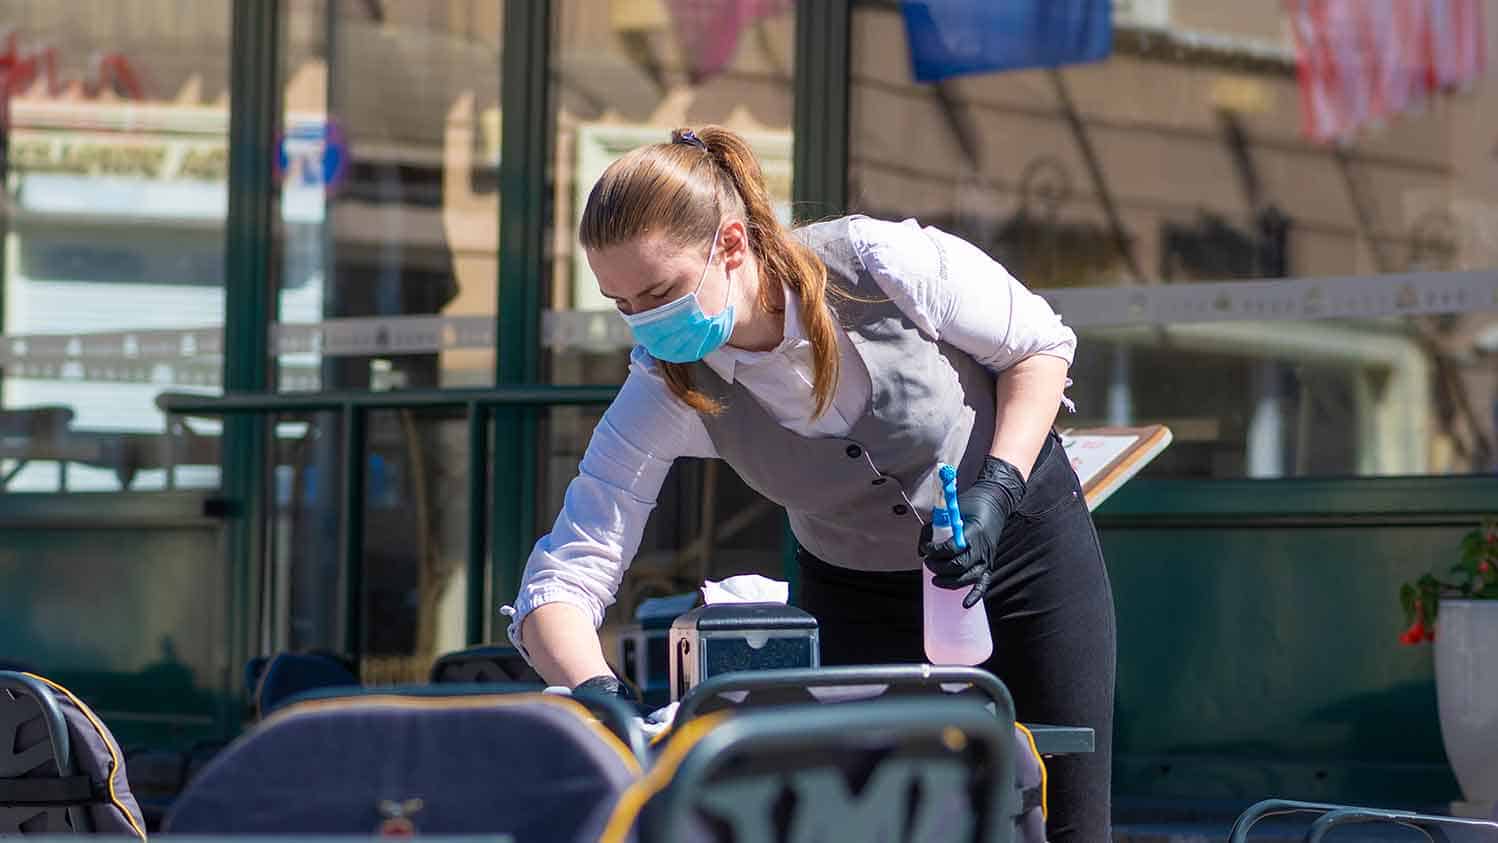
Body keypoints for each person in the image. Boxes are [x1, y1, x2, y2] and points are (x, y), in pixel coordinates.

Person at [502, 125, 1115, 841]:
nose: (644, 323)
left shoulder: (880, 261)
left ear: (732, 244)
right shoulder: (664, 385)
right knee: (881, 824)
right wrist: (598, 691)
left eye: (660, 292)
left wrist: (998, 490)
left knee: (1066, 817)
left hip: (1021, 554)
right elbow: (563, 578)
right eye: (622, 304)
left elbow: (1040, 348)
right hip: (855, 590)